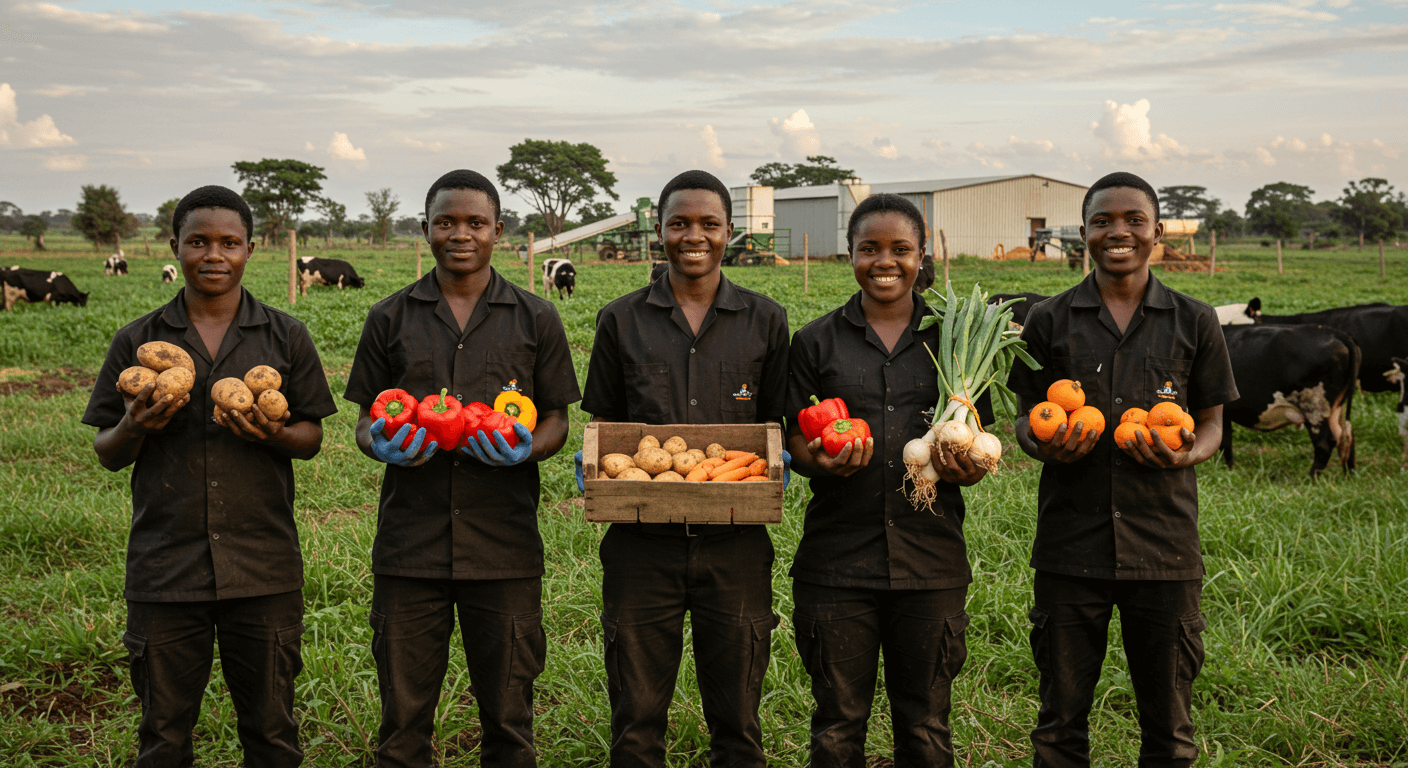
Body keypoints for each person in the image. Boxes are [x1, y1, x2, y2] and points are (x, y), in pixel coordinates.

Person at [83, 185, 337, 767]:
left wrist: (273, 433)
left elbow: (312, 438)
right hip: (165, 570)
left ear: (252, 248)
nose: (214, 254)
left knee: (272, 735)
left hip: (263, 567)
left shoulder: (285, 335)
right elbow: (106, 450)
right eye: (198, 241)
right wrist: (134, 425)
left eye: (229, 242)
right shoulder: (139, 341)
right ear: (175, 246)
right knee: (164, 737)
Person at [343, 169, 579, 768]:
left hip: (504, 546)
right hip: (409, 547)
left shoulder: (536, 318)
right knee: (402, 725)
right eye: (445, 222)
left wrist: (527, 450)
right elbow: (364, 422)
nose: (460, 234)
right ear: (426, 230)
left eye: (475, 222)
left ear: (499, 230)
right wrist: (381, 445)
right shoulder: (389, 317)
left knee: (509, 722)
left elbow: (556, 417)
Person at [1008, 172, 1238, 767]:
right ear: (1084, 233)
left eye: (1134, 220)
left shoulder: (1195, 320)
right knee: (1060, 726)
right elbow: (1024, 419)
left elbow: (1211, 424)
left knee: (1169, 730)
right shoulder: (1048, 321)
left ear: (1157, 232)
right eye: (1102, 221)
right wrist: (1043, 445)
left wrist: (1186, 453)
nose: (1119, 232)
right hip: (1069, 547)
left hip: (1163, 548)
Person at [580, 169, 790, 768]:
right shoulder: (620, 320)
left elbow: (778, 424)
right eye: (679, 223)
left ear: (730, 232)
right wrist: (594, 462)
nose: (692, 236)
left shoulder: (765, 320)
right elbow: (608, 427)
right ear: (660, 232)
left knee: (738, 722)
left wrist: (782, 462)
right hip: (640, 546)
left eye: (708, 224)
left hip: (738, 545)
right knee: (637, 721)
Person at [786, 193, 985, 768]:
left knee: (925, 728)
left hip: (931, 562)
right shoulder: (816, 341)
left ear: (923, 255)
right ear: (848, 254)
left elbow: (973, 439)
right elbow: (797, 439)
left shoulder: (953, 339)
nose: (885, 261)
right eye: (868, 248)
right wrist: (818, 461)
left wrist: (964, 469)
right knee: (835, 727)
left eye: (901, 249)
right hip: (835, 562)